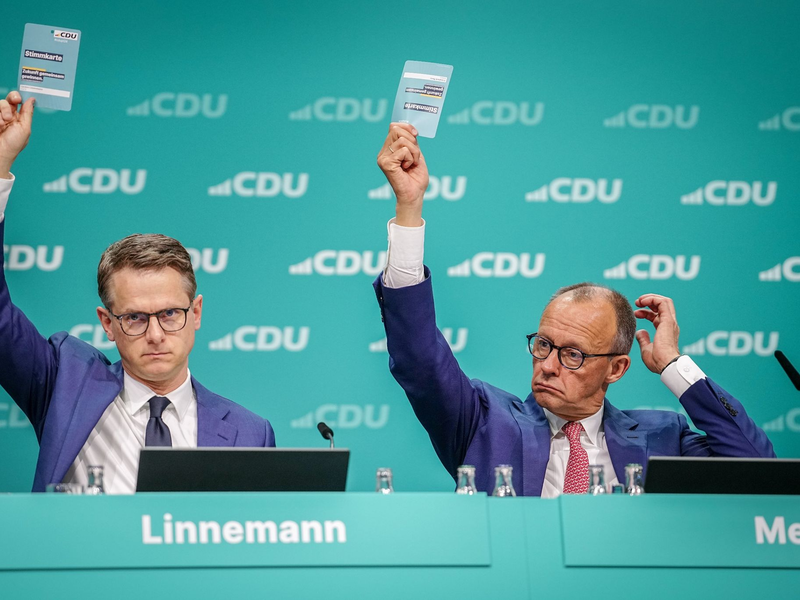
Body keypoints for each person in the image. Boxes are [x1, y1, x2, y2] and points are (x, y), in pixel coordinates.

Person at [373, 122, 775, 496]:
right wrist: (409, 206)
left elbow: (758, 472)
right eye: (544, 345)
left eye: (573, 355)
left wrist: (673, 365)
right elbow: (420, 359)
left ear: (616, 368)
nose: (547, 365)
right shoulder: (483, 421)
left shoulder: (663, 436)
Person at [0, 91, 275, 494]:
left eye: (169, 314)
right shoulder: (64, 385)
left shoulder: (251, 433)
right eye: (134, 318)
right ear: (107, 323)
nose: (156, 334)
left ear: (196, 313)